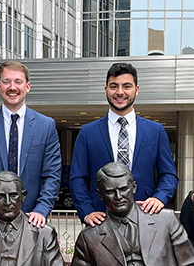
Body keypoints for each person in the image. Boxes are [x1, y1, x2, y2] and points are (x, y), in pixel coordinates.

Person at [69, 62, 179, 226]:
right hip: (101, 219)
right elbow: (77, 178)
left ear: (137, 89)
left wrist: (159, 197)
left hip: (146, 217)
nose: (120, 92)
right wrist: (87, 211)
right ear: (106, 89)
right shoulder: (87, 132)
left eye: (127, 86)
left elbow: (169, 174)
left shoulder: (155, 131)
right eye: (114, 86)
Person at [0, 60, 62, 230]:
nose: (12, 87)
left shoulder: (46, 126)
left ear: (28, 86)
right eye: (6, 82)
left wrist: (41, 210)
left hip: (32, 220)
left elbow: (52, 174)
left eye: (18, 82)